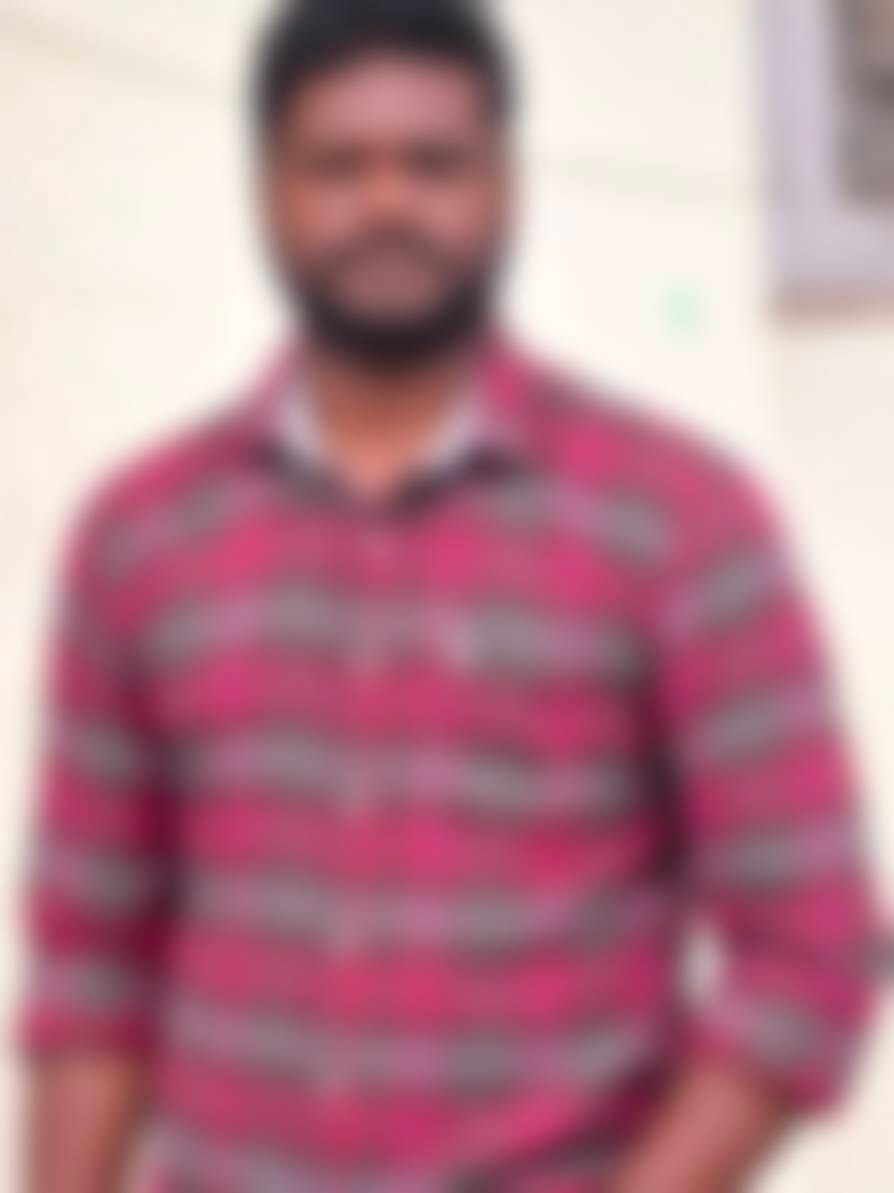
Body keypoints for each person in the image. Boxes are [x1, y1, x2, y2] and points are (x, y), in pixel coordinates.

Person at [24, 2, 877, 1190]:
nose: (387, 204)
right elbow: (91, 963)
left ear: (506, 185)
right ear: (267, 188)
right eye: (338, 166)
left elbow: (810, 945)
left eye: (434, 164)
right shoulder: (141, 537)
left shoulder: (679, 520)